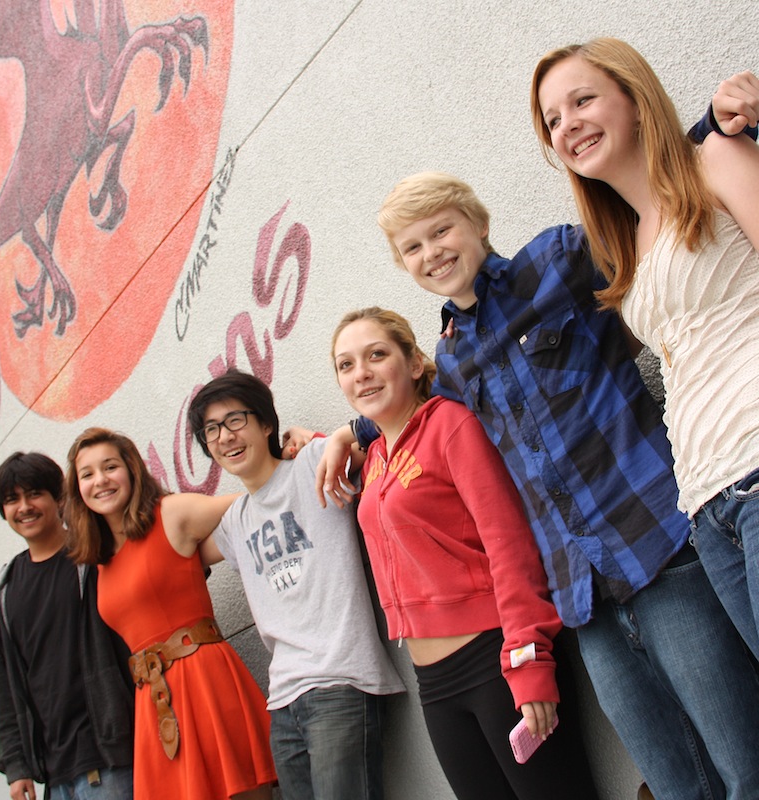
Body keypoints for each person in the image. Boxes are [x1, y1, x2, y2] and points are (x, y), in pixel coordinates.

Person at [319, 163, 759, 799]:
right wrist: (349, 433)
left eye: (441, 230)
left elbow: (653, 209)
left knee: (744, 765)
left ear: (477, 224)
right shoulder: (452, 356)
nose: (431, 252)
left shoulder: (556, 261)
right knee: (674, 784)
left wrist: (716, 130)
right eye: (411, 246)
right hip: (581, 598)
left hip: (660, 549)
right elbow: (400, 399)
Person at [532, 36, 759, 669]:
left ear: (633, 97)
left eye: (583, 100)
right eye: (552, 119)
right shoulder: (628, 244)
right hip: (707, 504)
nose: (567, 124)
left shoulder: (716, 156)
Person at [327, 306, 600, 800]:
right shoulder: (376, 460)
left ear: (413, 364)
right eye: (346, 365)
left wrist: (529, 656)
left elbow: (508, 542)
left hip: (495, 659)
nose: (361, 372)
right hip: (433, 682)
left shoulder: (451, 425)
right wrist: (340, 437)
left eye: (376, 355)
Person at [185, 369, 405, 800]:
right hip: (282, 702)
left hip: (340, 681)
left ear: (266, 423)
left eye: (235, 420)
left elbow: (388, 424)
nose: (225, 437)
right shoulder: (232, 523)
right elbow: (172, 557)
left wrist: (325, 437)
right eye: (211, 430)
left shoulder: (310, 464)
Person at [63, 427, 276, 800]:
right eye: (87, 474)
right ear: (77, 488)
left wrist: (299, 447)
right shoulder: (99, 561)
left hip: (206, 685)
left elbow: (258, 499)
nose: (100, 480)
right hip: (154, 705)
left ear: (131, 469)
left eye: (110, 466)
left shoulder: (171, 514)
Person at [0, 451, 134, 800]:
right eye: (12, 500)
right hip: (53, 775)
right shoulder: (2, 590)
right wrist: (17, 767)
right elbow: (3, 690)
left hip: (113, 759)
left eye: (35, 494)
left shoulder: (94, 557)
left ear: (59, 498)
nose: (24, 507)